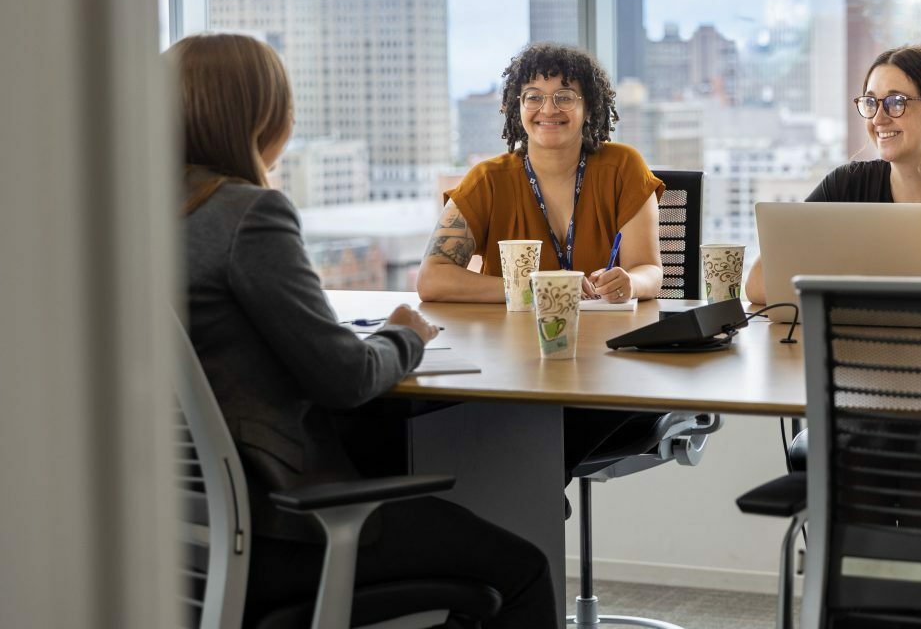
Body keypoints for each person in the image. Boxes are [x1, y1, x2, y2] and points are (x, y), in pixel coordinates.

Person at [175, 33, 557, 628]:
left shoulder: (130, 217)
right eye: (286, 105)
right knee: (523, 571)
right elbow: (347, 378)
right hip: (285, 526)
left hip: (182, 536)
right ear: (259, 116)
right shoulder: (249, 215)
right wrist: (402, 333)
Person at [416, 42, 665, 483]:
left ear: (589, 107)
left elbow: (650, 270)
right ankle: (532, 496)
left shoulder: (623, 166)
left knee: (530, 438)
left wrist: (630, 282)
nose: (548, 108)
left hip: (608, 365)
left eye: (565, 96)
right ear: (518, 107)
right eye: (534, 95)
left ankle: (533, 494)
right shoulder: (488, 180)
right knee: (439, 417)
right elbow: (432, 279)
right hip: (514, 365)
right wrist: (536, 290)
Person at [746, 43, 921, 303]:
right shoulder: (846, 185)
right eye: (871, 103)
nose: (878, 119)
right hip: (865, 351)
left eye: (896, 102)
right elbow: (758, 283)